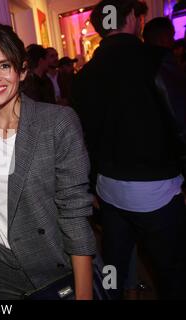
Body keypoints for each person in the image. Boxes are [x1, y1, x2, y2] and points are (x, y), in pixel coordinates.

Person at [0, 23, 96, 300]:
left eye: (4, 65)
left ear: (22, 70)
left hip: (51, 267)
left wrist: (84, 295)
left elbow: (74, 212)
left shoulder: (57, 122)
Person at [72, 0, 186, 299]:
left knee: (115, 265)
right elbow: (181, 121)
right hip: (156, 188)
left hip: (109, 190)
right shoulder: (156, 58)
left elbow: (84, 137)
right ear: (133, 19)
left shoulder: (84, 76)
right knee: (171, 270)